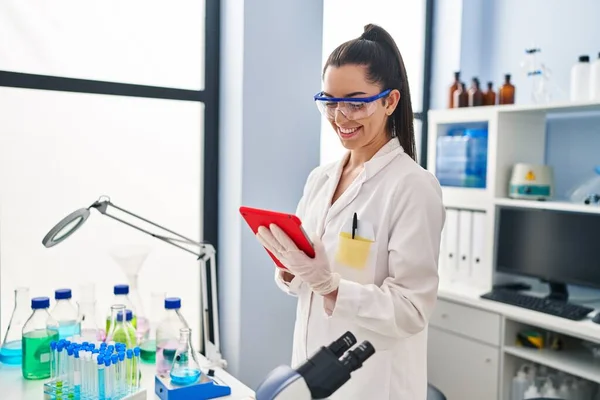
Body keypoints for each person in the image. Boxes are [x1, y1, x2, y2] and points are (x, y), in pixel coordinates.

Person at [256, 23, 445, 400]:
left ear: (390, 102)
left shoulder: (413, 186)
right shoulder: (320, 179)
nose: (340, 117)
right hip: (311, 374)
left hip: (376, 384)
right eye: (329, 101)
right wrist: (291, 269)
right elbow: (306, 284)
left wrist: (331, 285)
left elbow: (411, 310)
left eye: (356, 103)